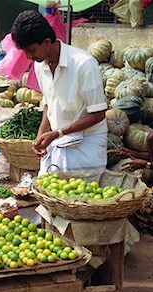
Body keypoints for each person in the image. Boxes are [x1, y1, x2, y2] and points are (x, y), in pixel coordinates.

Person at [11, 10, 108, 174]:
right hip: (56, 144)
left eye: (32, 50)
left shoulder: (84, 64)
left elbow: (98, 113)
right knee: (49, 194)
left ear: (47, 42)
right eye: (25, 51)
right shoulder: (40, 65)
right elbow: (49, 103)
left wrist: (58, 133)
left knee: (80, 196)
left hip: (86, 146)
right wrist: (42, 134)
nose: (28, 56)